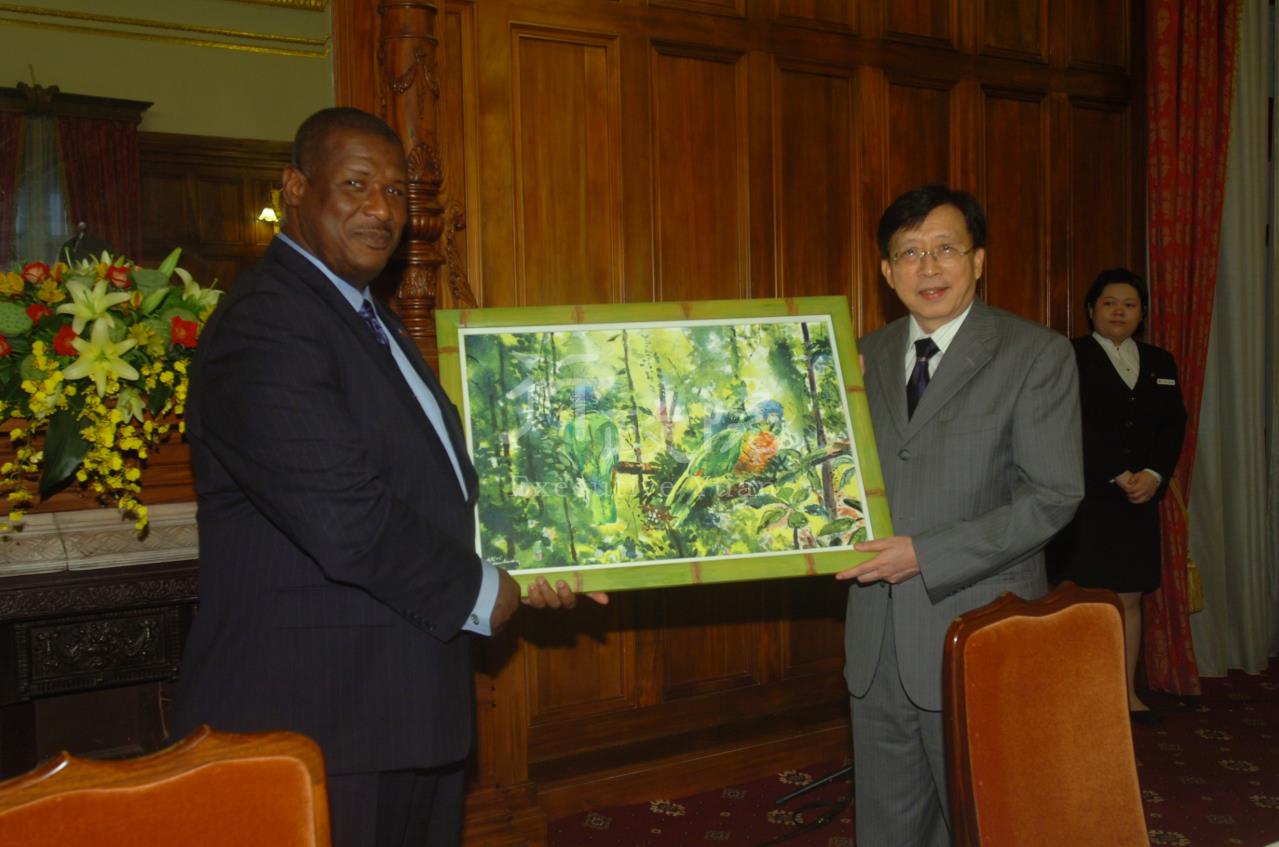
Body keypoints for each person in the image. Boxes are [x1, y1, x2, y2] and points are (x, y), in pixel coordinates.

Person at [172, 107, 603, 847]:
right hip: (320, 717)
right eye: (356, 184)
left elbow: (431, 488)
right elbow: (348, 517)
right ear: (295, 187)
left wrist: (538, 555)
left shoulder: (366, 315)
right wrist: (486, 590)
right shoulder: (267, 322)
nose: (382, 209)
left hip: (398, 708)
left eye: (397, 191)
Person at [836, 185, 1084, 846]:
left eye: (945, 248)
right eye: (908, 253)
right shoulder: (857, 357)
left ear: (977, 260)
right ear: (886, 272)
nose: (928, 266)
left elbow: (1053, 496)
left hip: (976, 633)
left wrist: (926, 554)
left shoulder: (1036, 355)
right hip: (875, 645)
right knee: (886, 828)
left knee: (988, 826)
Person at [1047, 267, 1186, 721]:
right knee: (1081, 600)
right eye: (1109, 303)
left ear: (1142, 313)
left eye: (1129, 304)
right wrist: (1116, 472)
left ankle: (1125, 695)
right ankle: (1078, 697)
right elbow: (1065, 422)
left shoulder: (1160, 361)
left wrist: (1154, 474)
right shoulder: (1068, 356)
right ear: (1092, 310)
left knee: (1129, 598)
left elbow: (1173, 424)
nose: (1119, 312)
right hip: (1086, 498)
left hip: (1139, 499)